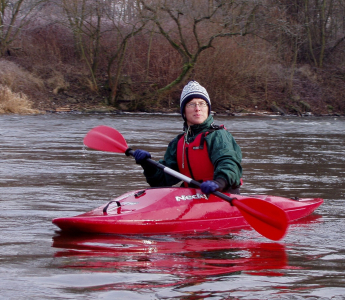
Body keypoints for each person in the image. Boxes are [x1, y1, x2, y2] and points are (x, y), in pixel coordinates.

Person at [133, 80, 242, 194]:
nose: (197, 108)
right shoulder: (179, 142)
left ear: (208, 109)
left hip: (221, 196)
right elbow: (161, 181)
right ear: (184, 111)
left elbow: (229, 163)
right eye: (191, 104)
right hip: (192, 200)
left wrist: (218, 183)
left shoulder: (218, 136)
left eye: (202, 103)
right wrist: (147, 164)